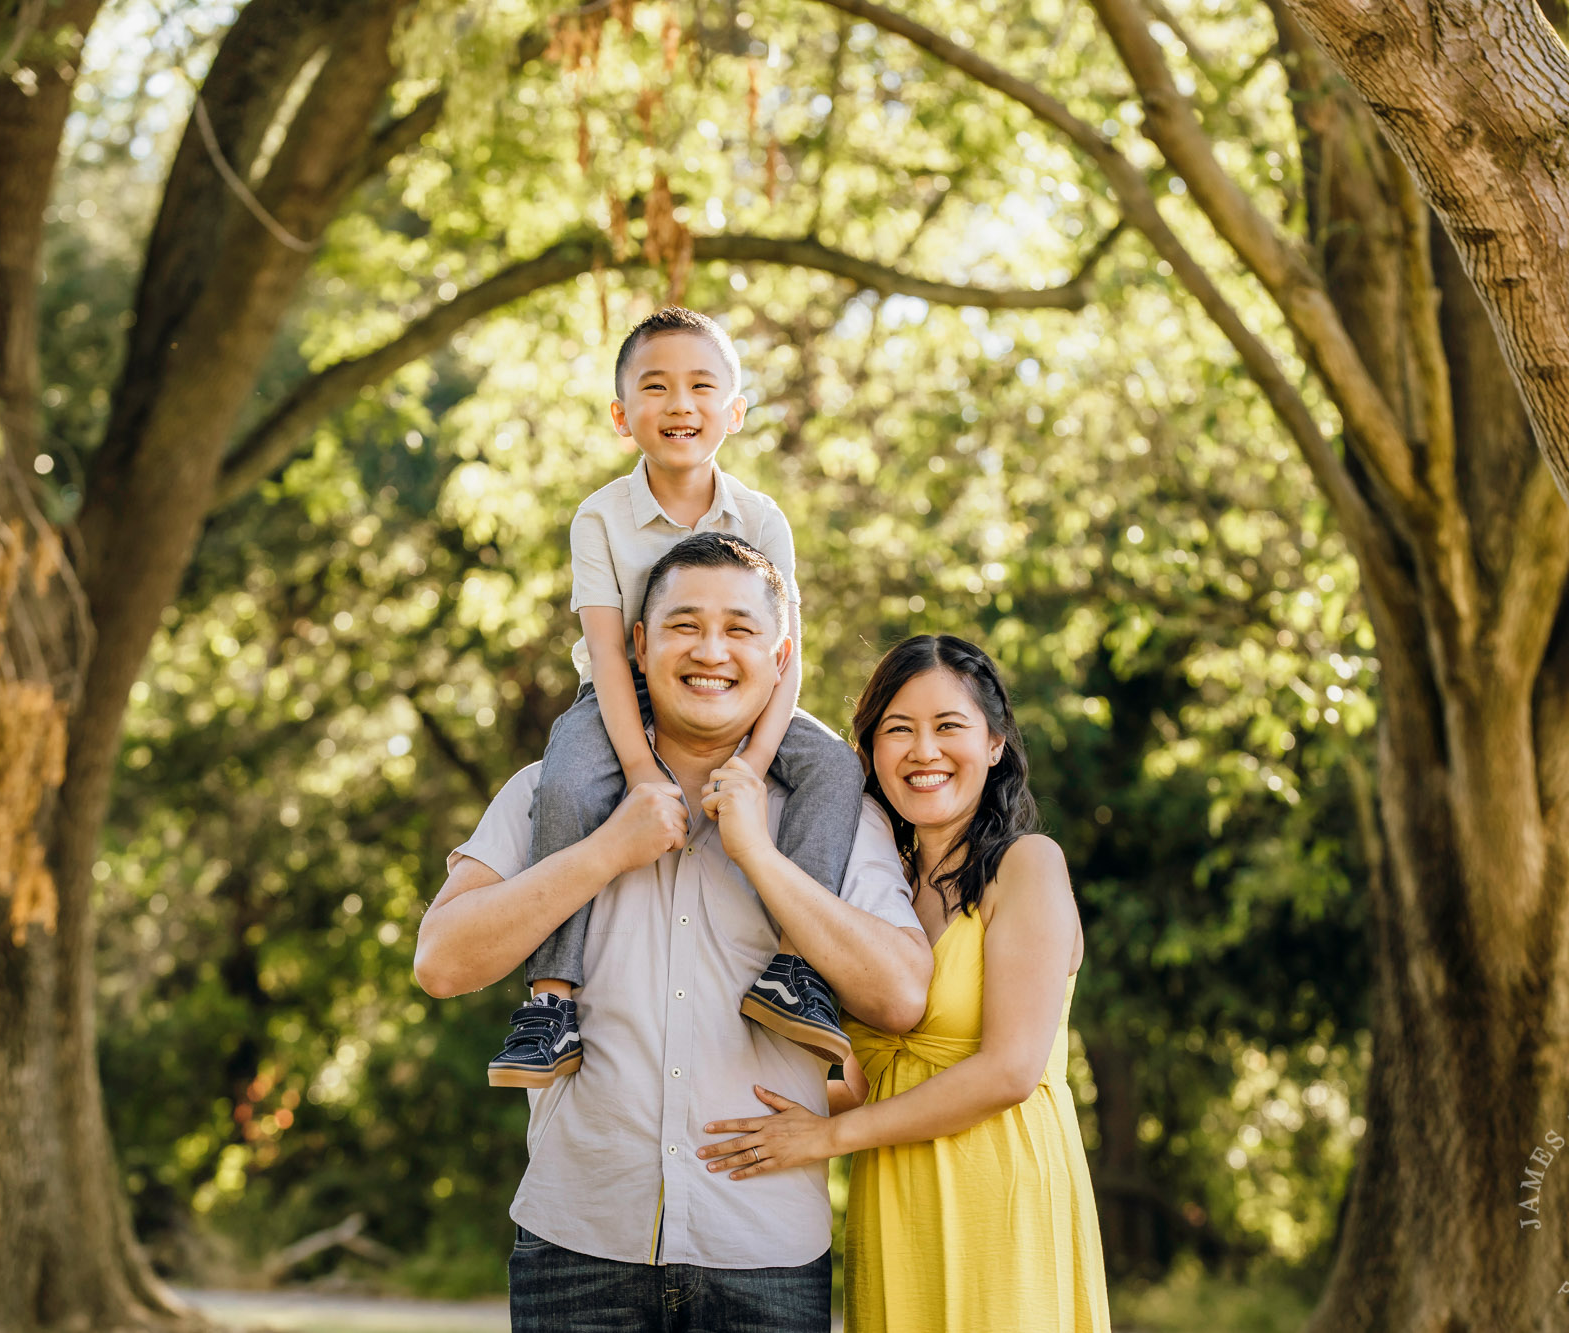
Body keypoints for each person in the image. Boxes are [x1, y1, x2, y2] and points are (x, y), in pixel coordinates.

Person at [413, 533, 934, 1333]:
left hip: (764, 1250)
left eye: (738, 628)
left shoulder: (838, 814)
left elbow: (900, 994)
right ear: (638, 645)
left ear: (780, 654)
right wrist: (603, 851)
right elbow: (441, 961)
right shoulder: (554, 791)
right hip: (577, 1240)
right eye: (685, 624)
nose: (711, 651)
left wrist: (759, 853)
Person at [486, 307, 867, 1089]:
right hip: (622, 697)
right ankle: (551, 1001)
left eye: (701, 385)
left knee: (835, 767)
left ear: (735, 410)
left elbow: (786, 656)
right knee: (564, 781)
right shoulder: (600, 517)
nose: (680, 404)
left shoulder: (761, 517)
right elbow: (604, 650)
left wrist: (755, 763)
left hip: (745, 702)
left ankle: (795, 972)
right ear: (624, 416)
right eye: (656, 387)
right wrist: (640, 767)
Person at [697, 634, 1112, 1332]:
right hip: (896, 1208)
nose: (923, 751)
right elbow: (865, 1079)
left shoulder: (1029, 865)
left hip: (1000, 1202)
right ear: (869, 752)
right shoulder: (876, 892)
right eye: (898, 730)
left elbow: (1010, 1068)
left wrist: (829, 1139)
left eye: (949, 726)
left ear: (995, 744)